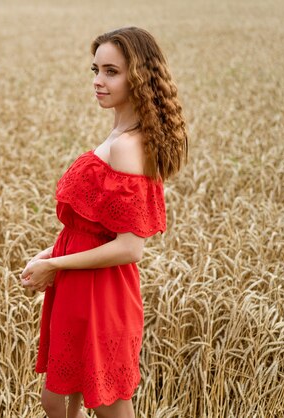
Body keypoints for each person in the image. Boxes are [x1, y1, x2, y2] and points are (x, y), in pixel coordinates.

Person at [20, 26, 188, 418]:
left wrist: (54, 266)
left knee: (105, 407)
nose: (98, 81)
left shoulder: (129, 147)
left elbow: (131, 246)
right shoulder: (119, 134)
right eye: (95, 69)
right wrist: (49, 254)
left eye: (111, 71)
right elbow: (93, 229)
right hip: (79, 287)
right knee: (58, 401)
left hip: (103, 295)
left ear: (139, 78)